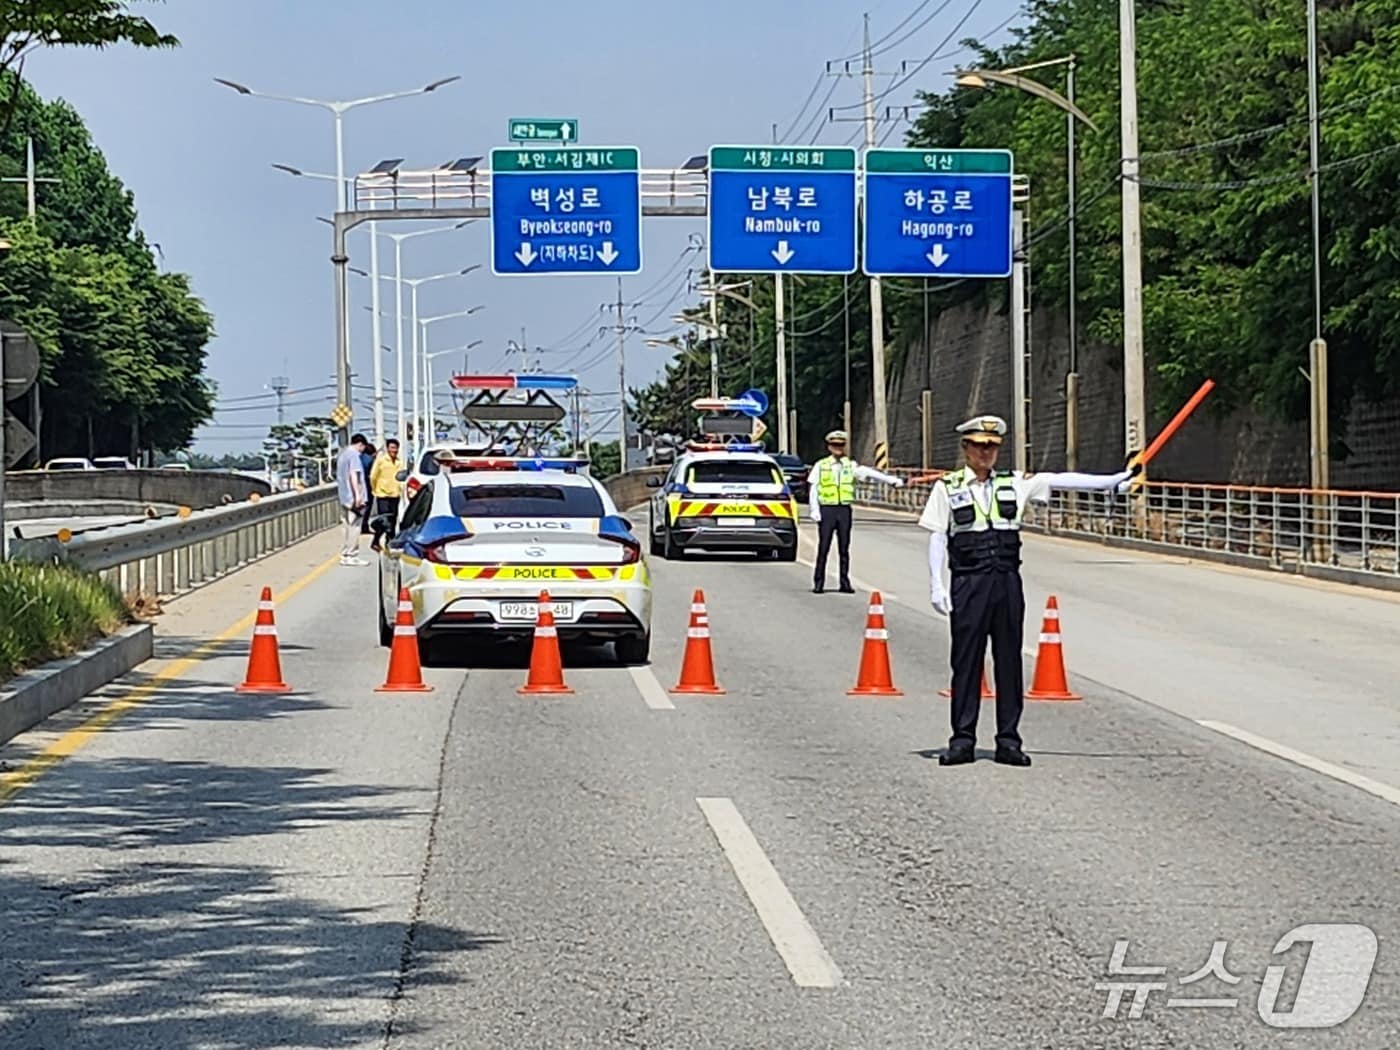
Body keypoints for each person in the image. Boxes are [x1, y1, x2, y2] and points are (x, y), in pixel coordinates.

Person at [920, 415, 1138, 767]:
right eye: (979, 446)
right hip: (969, 581)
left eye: (991, 446)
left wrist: (1109, 483)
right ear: (966, 448)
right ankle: (962, 740)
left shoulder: (1014, 483)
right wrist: (936, 584)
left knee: (1008, 661)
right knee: (966, 663)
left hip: (1006, 581)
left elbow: (1059, 479)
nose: (986, 452)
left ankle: (1008, 740)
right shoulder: (947, 487)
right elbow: (936, 536)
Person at [807, 430, 905, 594]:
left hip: (844, 509)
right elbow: (814, 489)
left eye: (841, 445)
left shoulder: (850, 465)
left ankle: (844, 582)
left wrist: (891, 481)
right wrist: (814, 510)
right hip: (827, 509)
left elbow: (869, 473)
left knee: (844, 548)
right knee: (824, 547)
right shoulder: (821, 465)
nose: (838, 448)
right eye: (835, 445)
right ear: (829, 447)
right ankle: (819, 582)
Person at [335, 433, 370, 567]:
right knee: (355, 527)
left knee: (346, 526)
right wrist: (358, 496)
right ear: (360, 444)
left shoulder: (343, 455)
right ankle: (352, 554)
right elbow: (353, 475)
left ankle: (344, 554)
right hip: (353, 498)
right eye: (363, 448)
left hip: (343, 496)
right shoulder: (354, 455)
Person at [368, 438, 403, 552]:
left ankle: (389, 542)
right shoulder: (381, 461)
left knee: (392, 520)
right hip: (382, 494)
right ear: (387, 448)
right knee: (384, 520)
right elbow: (373, 476)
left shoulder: (399, 462)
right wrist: (375, 490)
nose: (394, 450)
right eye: (392, 447)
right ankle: (376, 540)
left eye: (396, 448)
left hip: (395, 494)